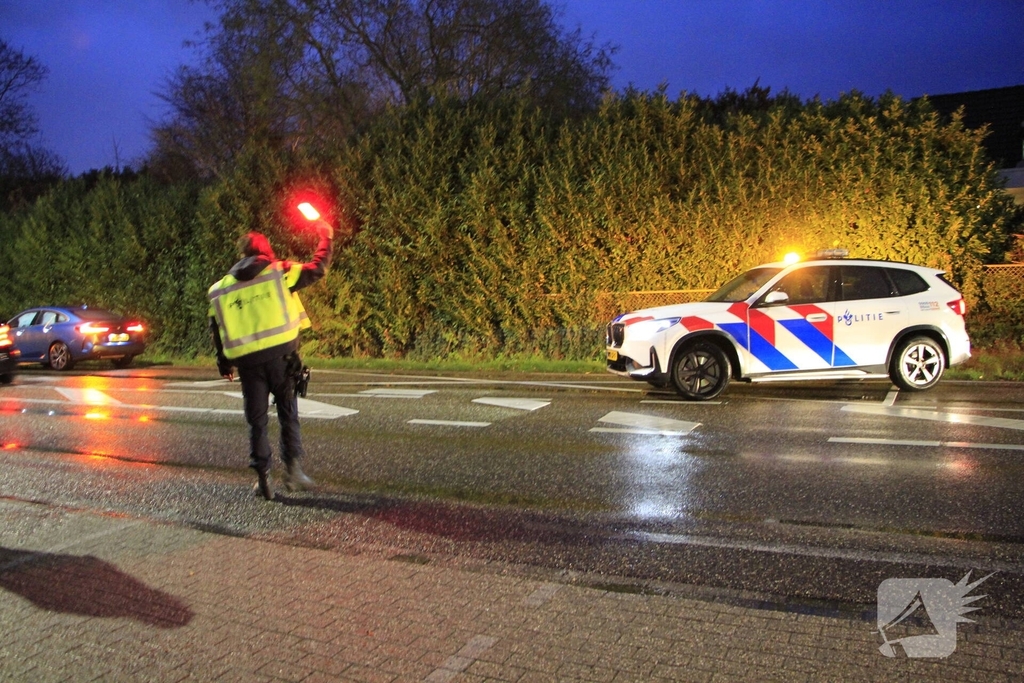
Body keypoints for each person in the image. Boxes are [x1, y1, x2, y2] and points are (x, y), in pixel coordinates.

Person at [208, 219, 333, 500]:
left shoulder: (220, 289)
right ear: (266, 251)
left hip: (248, 365)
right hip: (282, 359)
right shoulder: (280, 272)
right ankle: (293, 472)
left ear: (242, 254)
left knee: (257, 421)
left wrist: (224, 364)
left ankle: (263, 478)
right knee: (288, 414)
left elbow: (217, 330)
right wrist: (326, 237)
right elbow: (317, 268)